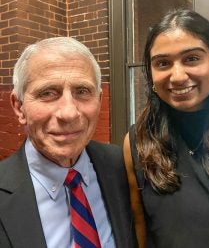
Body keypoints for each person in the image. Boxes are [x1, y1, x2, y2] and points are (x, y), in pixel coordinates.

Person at [0, 37, 137, 248]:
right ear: (19, 107)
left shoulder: (122, 166)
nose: (69, 113)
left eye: (82, 92)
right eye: (47, 93)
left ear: (99, 101)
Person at [124, 9, 209, 247]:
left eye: (192, 58)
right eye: (163, 63)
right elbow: (140, 231)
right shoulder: (137, 141)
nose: (177, 76)